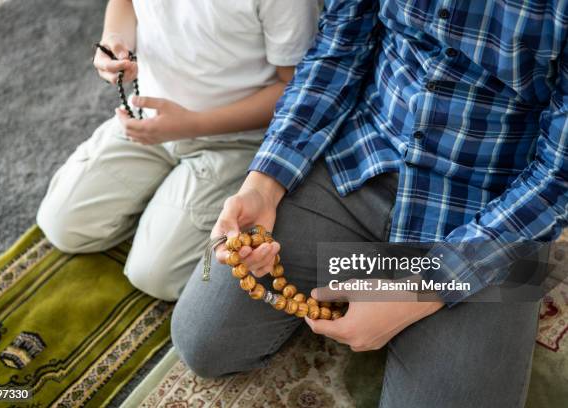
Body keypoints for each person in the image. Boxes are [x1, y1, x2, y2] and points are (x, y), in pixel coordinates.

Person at [171, 0, 568, 406]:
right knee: (203, 341)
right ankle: (373, 273)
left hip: (493, 203)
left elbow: (561, 176)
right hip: (362, 155)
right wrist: (264, 184)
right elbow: (338, 49)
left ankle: (392, 287)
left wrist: (421, 291)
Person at [36, 0, 319, 300]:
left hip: (233, 139)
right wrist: (114, 41)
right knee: (61, 224)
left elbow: (298, 90)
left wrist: (192, 125)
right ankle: (161, 208)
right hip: (148, 119)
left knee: (155, 275)